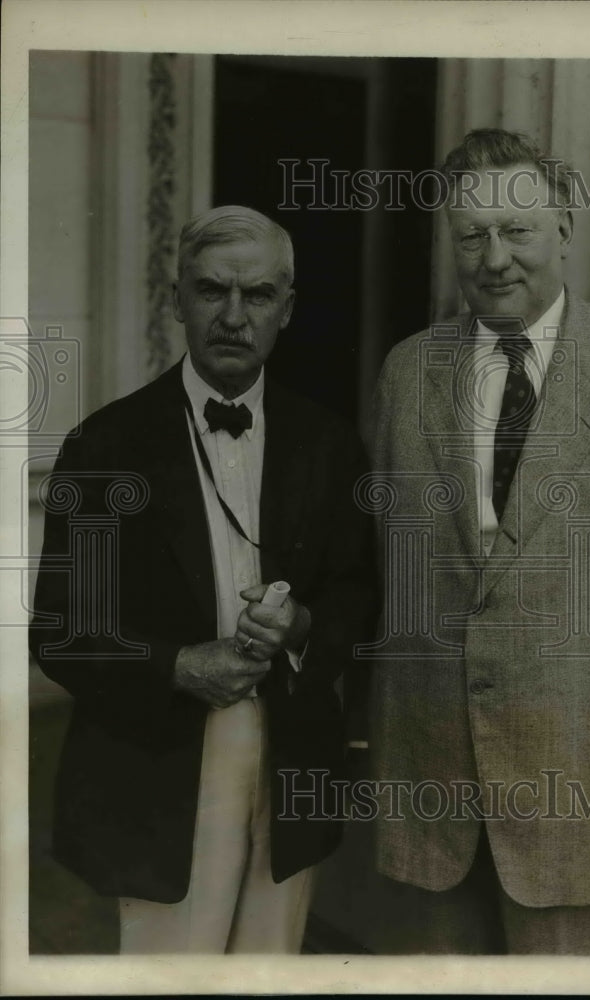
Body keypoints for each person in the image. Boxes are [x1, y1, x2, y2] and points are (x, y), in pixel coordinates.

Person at [369, 128, 590, 955]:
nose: (494, 258)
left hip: (587, 773)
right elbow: (391, 573)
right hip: (433, 780)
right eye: (471, 235)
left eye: (517, 230)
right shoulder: (409, 370)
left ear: (563, 230)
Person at [29, 205, 376, 954]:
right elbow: (60, 629)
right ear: (177, 298)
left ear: (287, 309)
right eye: (211, 290)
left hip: (290, 756)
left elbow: (358, 593)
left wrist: (306, 628)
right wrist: (180, 666)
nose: (231, 315)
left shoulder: (330, 443)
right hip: (158, 763)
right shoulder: (104, 444)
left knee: (270, 965)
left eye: (256, 296)